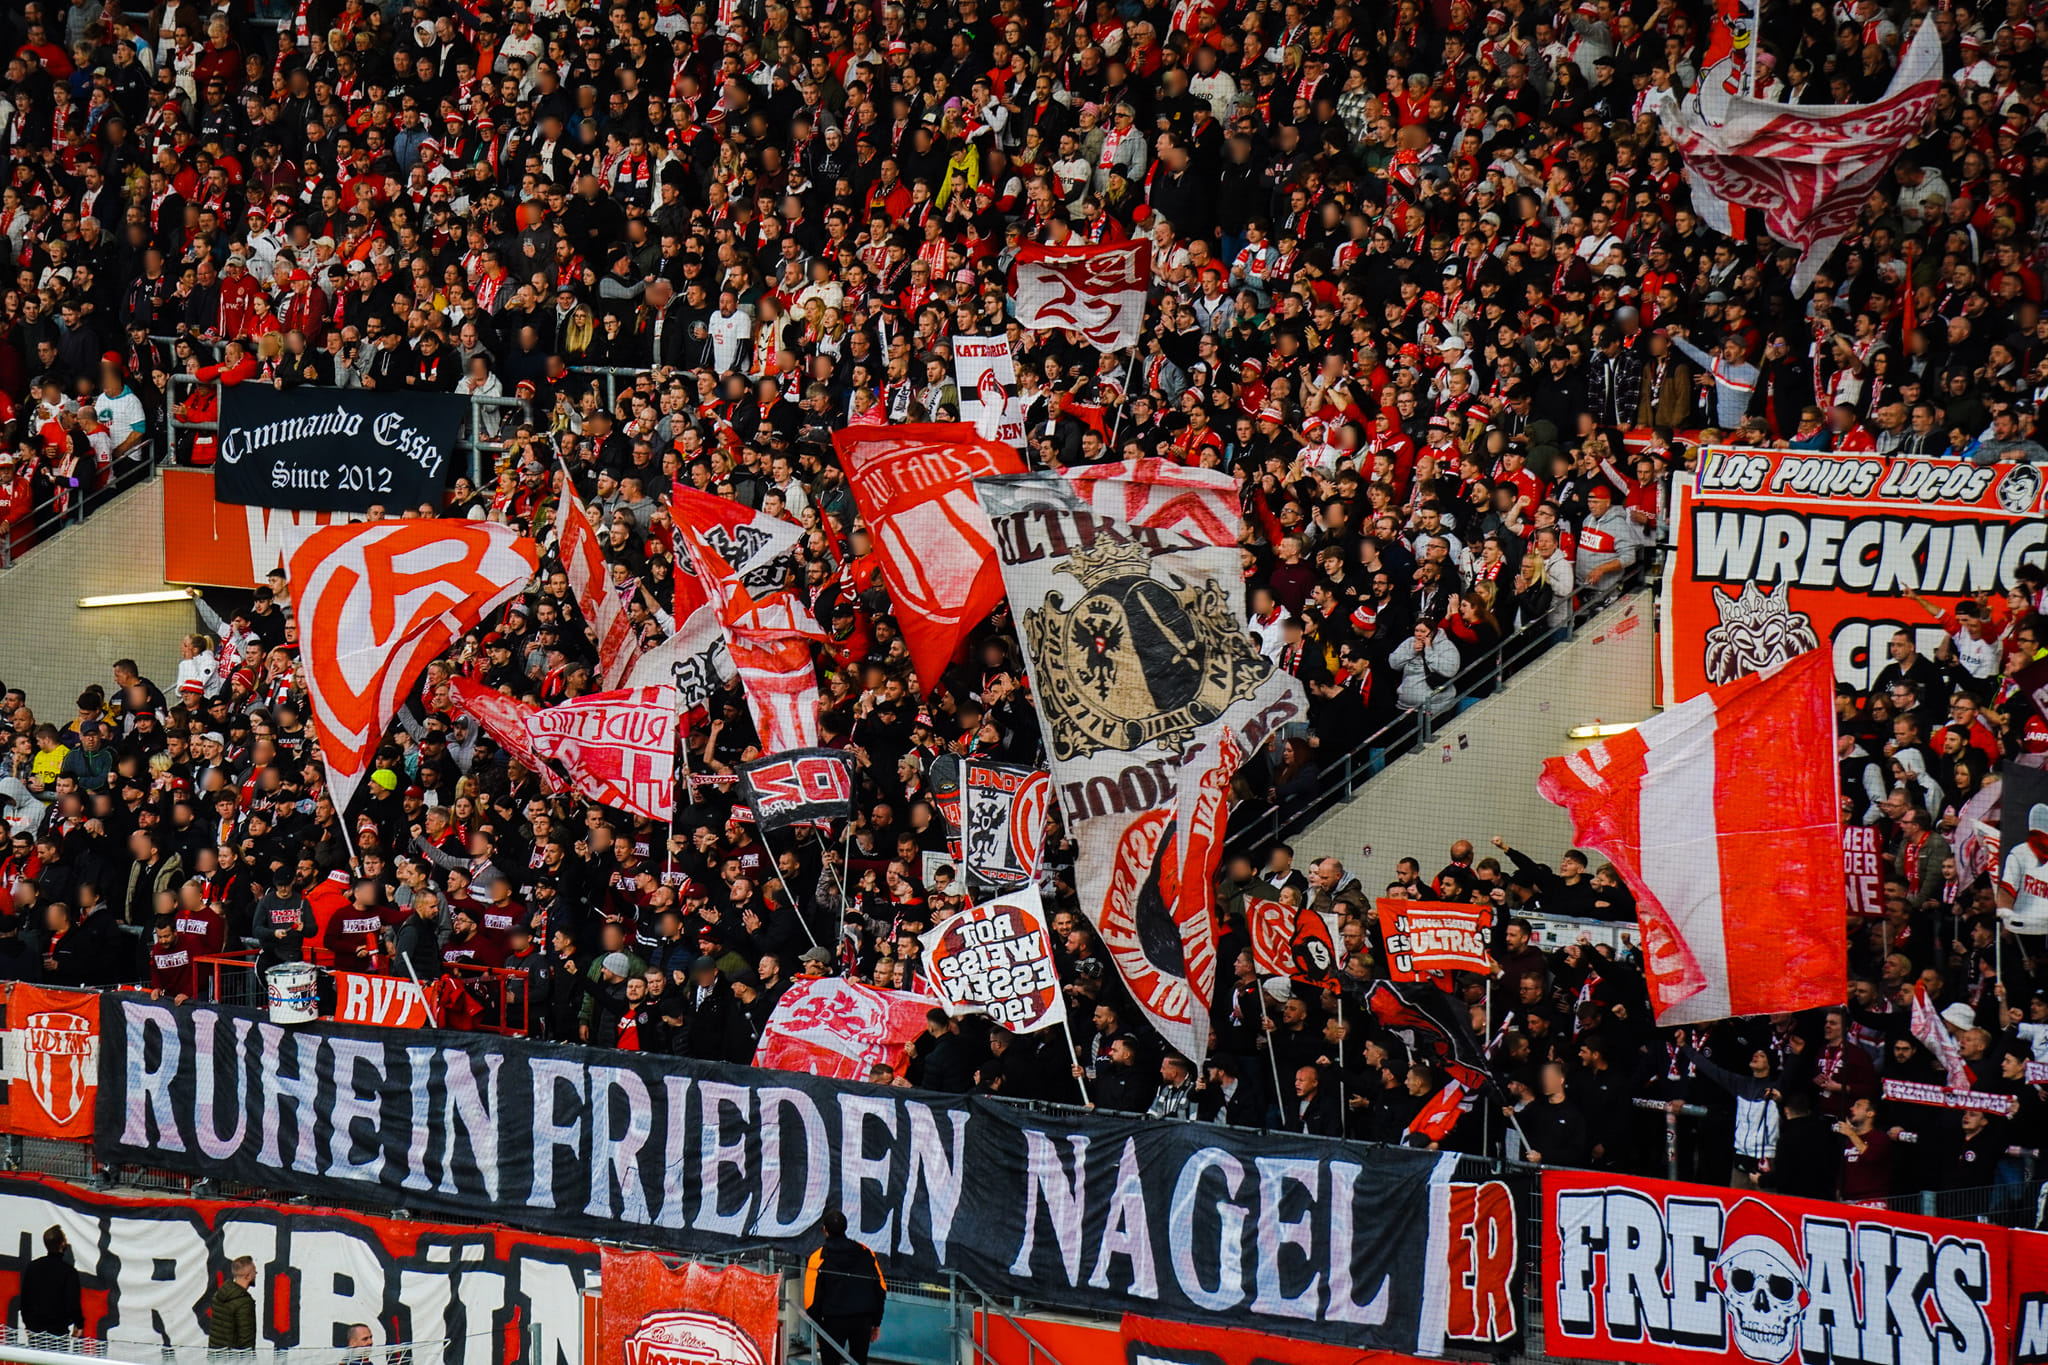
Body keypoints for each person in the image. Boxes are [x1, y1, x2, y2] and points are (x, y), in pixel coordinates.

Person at [804, 1210, 887, 1364]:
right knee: (859, 1361)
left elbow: (811, 1299)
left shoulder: (818, 1257)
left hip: (832, 1322)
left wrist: (816, 1329)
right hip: (862, 1320)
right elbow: (880, 1289)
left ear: (824, 1230)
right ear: (846, 1228)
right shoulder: (865, 1252)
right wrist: (876, 1322)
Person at [20, 1226, 83, 1338]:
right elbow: (73, 1302)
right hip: (58, 1332)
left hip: (35, 1330)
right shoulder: (69, 1272)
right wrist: (79, 1324)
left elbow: (25, 1299)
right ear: (62, 1244)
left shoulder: (33, 1267)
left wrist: (28, 1324)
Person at [208, 1256, 258, 1350]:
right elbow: (246, 1340)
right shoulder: (244, 1303)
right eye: (254, 1270)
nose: (256, 1273)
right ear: (247, 1276)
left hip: (216, 1356)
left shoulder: (219, 1295)